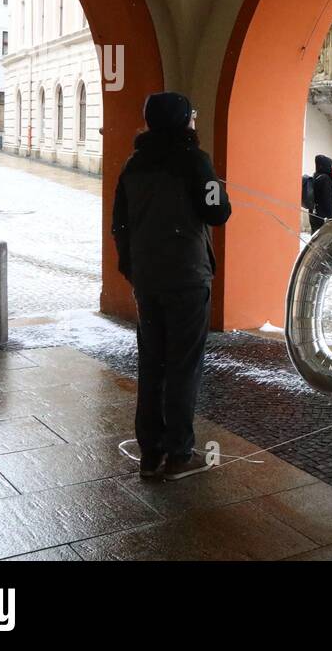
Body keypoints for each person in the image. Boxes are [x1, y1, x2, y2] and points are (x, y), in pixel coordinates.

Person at [112, 92, 232, 481]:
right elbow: (217, 212)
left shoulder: (134, 164)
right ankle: (179, 453)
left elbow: (120, 224)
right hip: (186, 277)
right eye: (192, 115)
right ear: (182, 121)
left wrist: (133, 267)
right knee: (182, 366)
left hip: (148, 280)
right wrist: (216, 186)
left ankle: (150, 454)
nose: (195, 121)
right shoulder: (194, 160)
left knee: (152, 365)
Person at [309, 154, 332, 231]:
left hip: (314, 214)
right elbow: (328, 200)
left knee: (315, 236)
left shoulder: (316, 176)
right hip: (323, 216)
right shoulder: (325, 179)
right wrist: (330, 217)